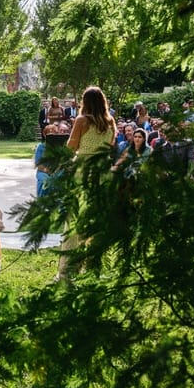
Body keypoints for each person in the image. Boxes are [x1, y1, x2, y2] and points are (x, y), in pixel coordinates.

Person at [58, 85, 116, 280]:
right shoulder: (110, 121)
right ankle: (93, 266)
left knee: (75, 218)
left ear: (86, 102)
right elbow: (111, 145)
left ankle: (68, 269)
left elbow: (71, 145)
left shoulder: (82, 120)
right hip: (103, 170)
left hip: (84, 169)